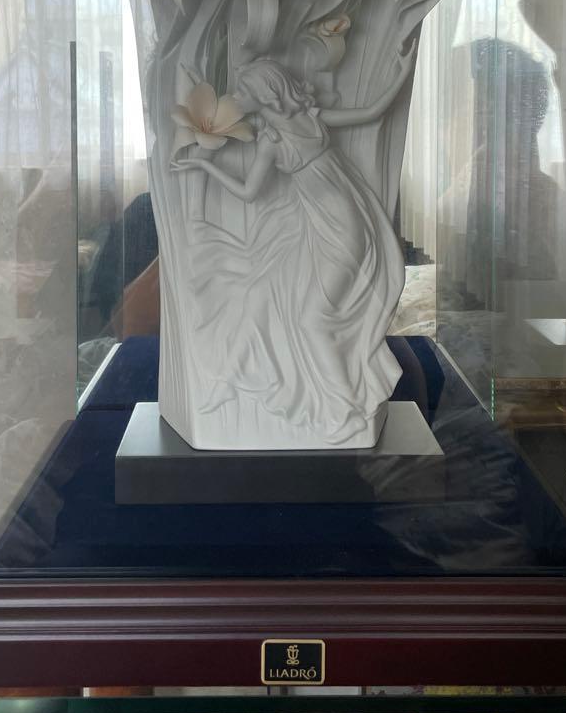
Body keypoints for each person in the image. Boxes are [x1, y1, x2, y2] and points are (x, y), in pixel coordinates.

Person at [170, 43, 417, 445]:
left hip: (343, 229)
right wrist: (203, 163)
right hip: (309, 229)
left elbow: (372, 112)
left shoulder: (311, 118)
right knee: (261, 293)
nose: (237, 98)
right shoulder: (270, 140)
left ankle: (345, 407)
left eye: (244, 91)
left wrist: (402, 70)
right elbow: (250, 192)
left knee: (311, 321)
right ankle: (230, 382)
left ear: (266, 94)